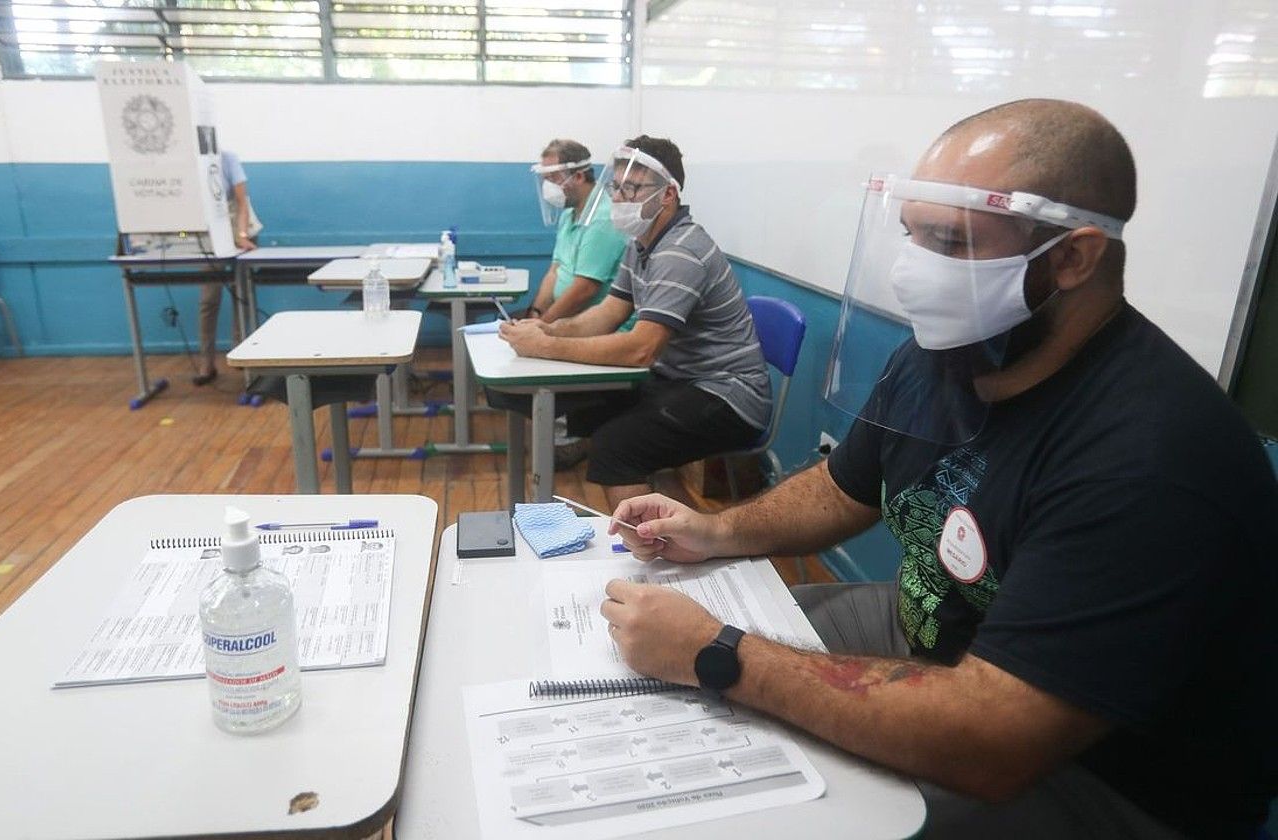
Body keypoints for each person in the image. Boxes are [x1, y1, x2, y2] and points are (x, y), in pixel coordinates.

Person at [603, 100, 1278, 838]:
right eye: (910, 235)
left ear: (1073, 257)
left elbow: (994, 743)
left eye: (949, 241)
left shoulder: (1152, 459)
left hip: (1100, 778)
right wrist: (716, 532)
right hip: (933, 633)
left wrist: (720, 655)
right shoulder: (951, 352)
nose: (914, 271)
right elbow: (841, 486)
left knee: (776, 802)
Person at [494, 136, 772, 509]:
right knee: (578, 408)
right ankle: (538, 517)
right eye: (617, 187)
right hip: (679, 380)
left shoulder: (680, 252)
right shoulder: (640, 242)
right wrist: (546, 329)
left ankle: (649, 555)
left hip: (728, 396)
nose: (621, 198)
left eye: (633, 188)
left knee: (615, 447)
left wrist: (546, 346)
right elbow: (608, 312)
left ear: (668, 194)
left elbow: (641, 349)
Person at [526, 139, 632, 466]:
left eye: (553, 177)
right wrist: (535, 314)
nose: (548, 187)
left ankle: (571, 436)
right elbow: (555, 272)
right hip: (567, 315)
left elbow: (585, 289)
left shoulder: (603, 218)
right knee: (517, 331)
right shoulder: (571, 214)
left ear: (580, 175)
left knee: (532, 345)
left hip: (597, 323)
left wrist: (544, 327)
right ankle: (555, 430)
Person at [195, 148, 260, 386]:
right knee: (208, 300)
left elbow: (242, 201)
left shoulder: (228, 159)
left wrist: (241, 235)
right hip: (210, 238)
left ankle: (239, 354)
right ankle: (206, 361)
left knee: (240, 298)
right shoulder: (191, 163)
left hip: (237, 229)